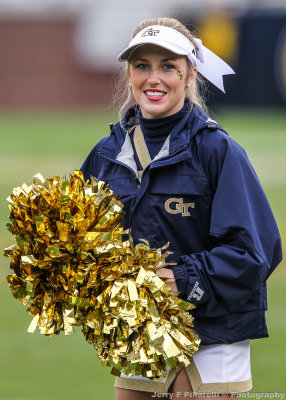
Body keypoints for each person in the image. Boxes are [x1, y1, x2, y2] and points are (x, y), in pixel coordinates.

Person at [80, 17, 282, 400]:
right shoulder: (106, 154)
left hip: (212, 331)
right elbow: (83, 239)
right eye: (142, 66)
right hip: (141, 328)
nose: (153, 78)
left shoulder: (216, 151)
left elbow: (256, 253)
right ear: (129, 76)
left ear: (189, 75)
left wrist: (183, 279)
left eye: (168, 67)